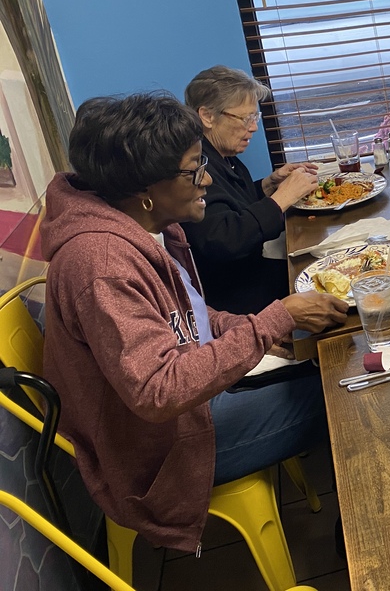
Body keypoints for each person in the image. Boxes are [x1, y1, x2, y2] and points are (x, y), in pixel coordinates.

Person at [40, 93, 349, 552]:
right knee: (345, 395)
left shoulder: (144, 227)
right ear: (144, 189)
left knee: (333, 360)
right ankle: (368, 544)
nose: (206, 179)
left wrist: (250, 328)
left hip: (194, 404)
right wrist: (271, 321)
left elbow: (190, 317)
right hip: (163, 451)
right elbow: (158, 390)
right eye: (193, 170)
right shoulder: (101, 265)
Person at [183, 66, 320, 314]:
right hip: (239, 300)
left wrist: (269, 185)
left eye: (254, 117)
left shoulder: (225, 157)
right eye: (246, 118)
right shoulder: (194, 167)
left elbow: (234, 204)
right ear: (207, 116)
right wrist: (282, 198)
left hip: (257, 275)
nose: (254, 127)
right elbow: (223, 238)